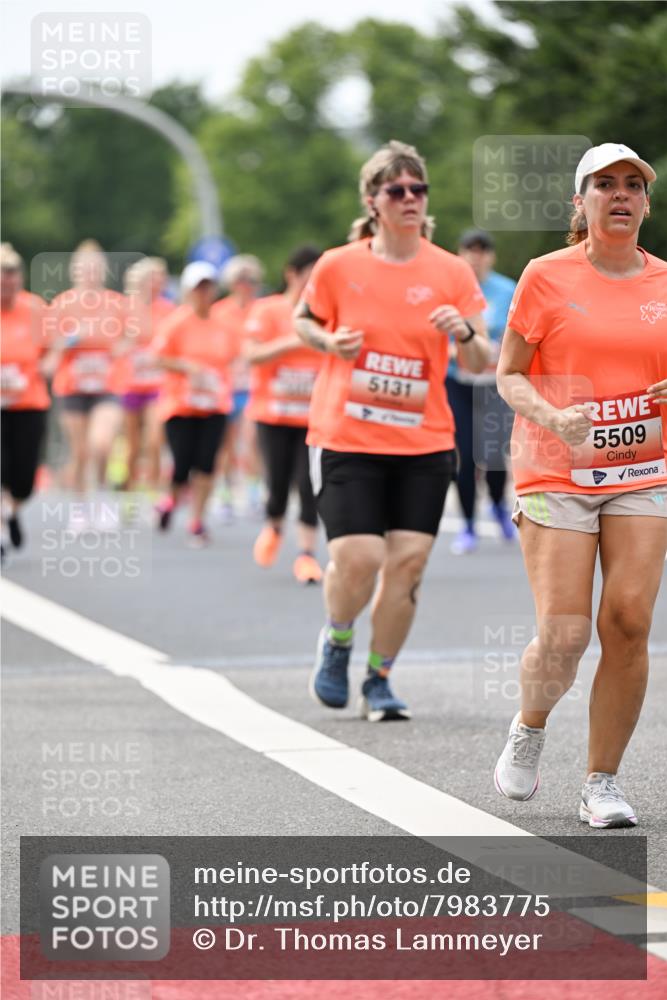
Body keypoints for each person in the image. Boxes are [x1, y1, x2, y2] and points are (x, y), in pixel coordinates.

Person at [493, 143, 667, 828]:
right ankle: (530, 725)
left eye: (632, 185)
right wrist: (552, 415)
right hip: (555, 466)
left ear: (646, 204)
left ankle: (602, 782)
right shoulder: (545, 276)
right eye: (604, 185)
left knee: (628, 621)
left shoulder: (664, 282)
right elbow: (509, 374)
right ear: (580, 202)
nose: (620, 194)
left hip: (643, 469)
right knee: (564, 633)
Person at [295, 140, 489, 721]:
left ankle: (378, 679)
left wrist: (463, 333)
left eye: (418, 189)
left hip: (424, 441)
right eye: (397, 190)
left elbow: (481, 359)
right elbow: (302, 320)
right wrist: (329, 342)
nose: (410, 198)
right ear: (372, 201)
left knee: (407, 565)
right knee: (360, 556)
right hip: (347, 437)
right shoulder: (339, 265)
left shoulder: (450, 271)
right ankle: (338, 639)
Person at [245, 245, 323, 584]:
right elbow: (251, 354)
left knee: (309, 485)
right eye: (310, 275)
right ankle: (274, 526)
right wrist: (294, 342)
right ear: (292, 274)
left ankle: (306, 555)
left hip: (314, 417)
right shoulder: (267, 310)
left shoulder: (327, 314)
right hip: (273, 414)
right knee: (277, 484)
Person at [152, 261, 237, 546]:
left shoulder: (224, 325)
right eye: (199, 288)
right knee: (182, 464)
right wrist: (187, 367)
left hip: (214, 405)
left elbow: (235, 359)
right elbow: (158, 358)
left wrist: (220, 378)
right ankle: (170, 501)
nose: (204, 294)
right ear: (189, 291)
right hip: (181, 406)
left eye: (208, 287)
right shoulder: (176, 323)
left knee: (207, 464)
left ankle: (197, 520)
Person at [446, 229, 517, 553]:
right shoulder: (449, 290)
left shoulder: (506, 290)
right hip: (458, 383)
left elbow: (517, 334)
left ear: (491, 256)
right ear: (460, 255)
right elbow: (435, 339)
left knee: (494, 454)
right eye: (470, 250)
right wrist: (465, 350)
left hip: (493, 386)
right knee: (465, 454)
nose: (476, 257)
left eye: (482, 251)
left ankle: (499, 505)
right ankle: (468, 525)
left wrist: (497, 352)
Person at [47, 240, 126, 530]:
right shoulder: (62, 304)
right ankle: (80, 507)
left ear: (103, 271)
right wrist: (72, 338)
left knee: (102, 443)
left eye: (96, 268)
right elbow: (50, 347)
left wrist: (117, 347)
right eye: (85, 269)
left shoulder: (117, 304)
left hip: (107, 385)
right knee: (80, 451)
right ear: (75, 271)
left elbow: (130, 341)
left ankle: (103, 496)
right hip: (73, 386)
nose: (91, 274)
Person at [0, 243, 51, 556]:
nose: (7, 282)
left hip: (28, 402)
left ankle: (12, 511)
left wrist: (49, 363)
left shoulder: (34, 309)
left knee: (24, 480)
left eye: (12, 275)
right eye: (2, 275)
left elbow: (55, 345)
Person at [210, 254, 264, 520]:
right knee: (226, 443)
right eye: (240, 280)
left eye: (251, 280)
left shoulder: (263, 309)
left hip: (256, 385)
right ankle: (225, 493)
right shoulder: (219, 312)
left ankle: (253, 491)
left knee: (252, 439)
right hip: (226, 386)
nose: (246, 285)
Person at [114, 257, 174, 492]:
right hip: (130, 383)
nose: (156, 284)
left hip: (158, 384)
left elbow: (174, 344)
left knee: (154, 440)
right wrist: (127, 344)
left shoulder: (168, 310)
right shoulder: (123, 309)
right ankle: (128, 490)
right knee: (133, 444)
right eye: (152, 279)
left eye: (160, 279)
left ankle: (154, 490)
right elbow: (112, 346)